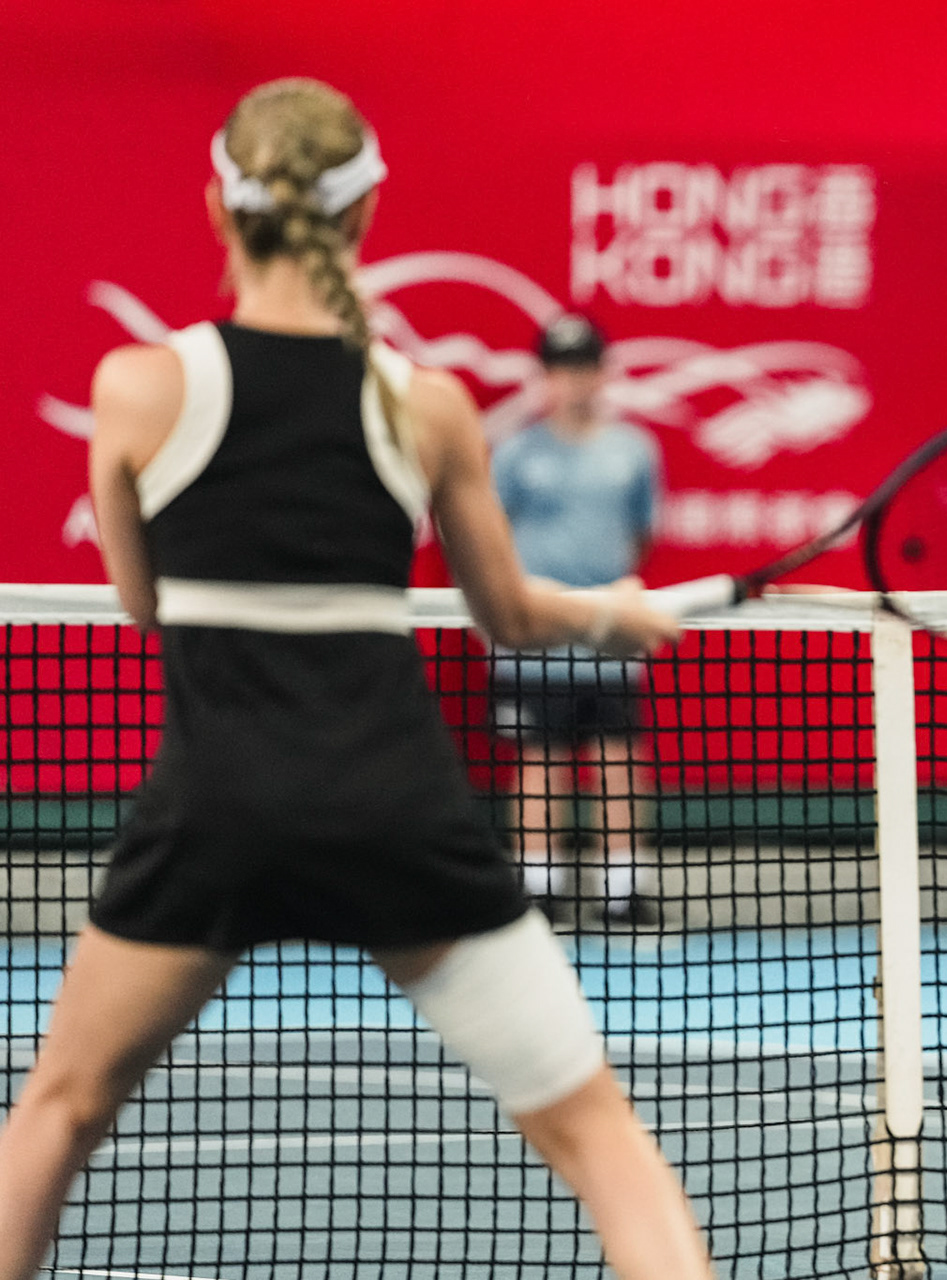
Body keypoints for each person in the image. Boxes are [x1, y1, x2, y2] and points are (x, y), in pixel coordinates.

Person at [0, 79, 711, 1280]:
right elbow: (515, 613)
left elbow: (141, 602)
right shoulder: (422, 403)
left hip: (211, 809)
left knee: (56, 1110)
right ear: (368, 211)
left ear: (219, 210)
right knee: (599, 1138)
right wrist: (619, 616)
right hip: (396, 810)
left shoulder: (137, 387)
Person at [492, 315, 666, 927]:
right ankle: (539, 889)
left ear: (603, 371)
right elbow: (489, 543)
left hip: (611, 639)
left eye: (585, 366)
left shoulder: (634, 451)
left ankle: (623, 890)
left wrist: (603, 610)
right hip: (534, 641)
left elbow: (642, 535)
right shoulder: (514, 454)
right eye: (562, 369)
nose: (575, 380)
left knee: (618, 760)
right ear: (546, 376)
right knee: (538, 763)